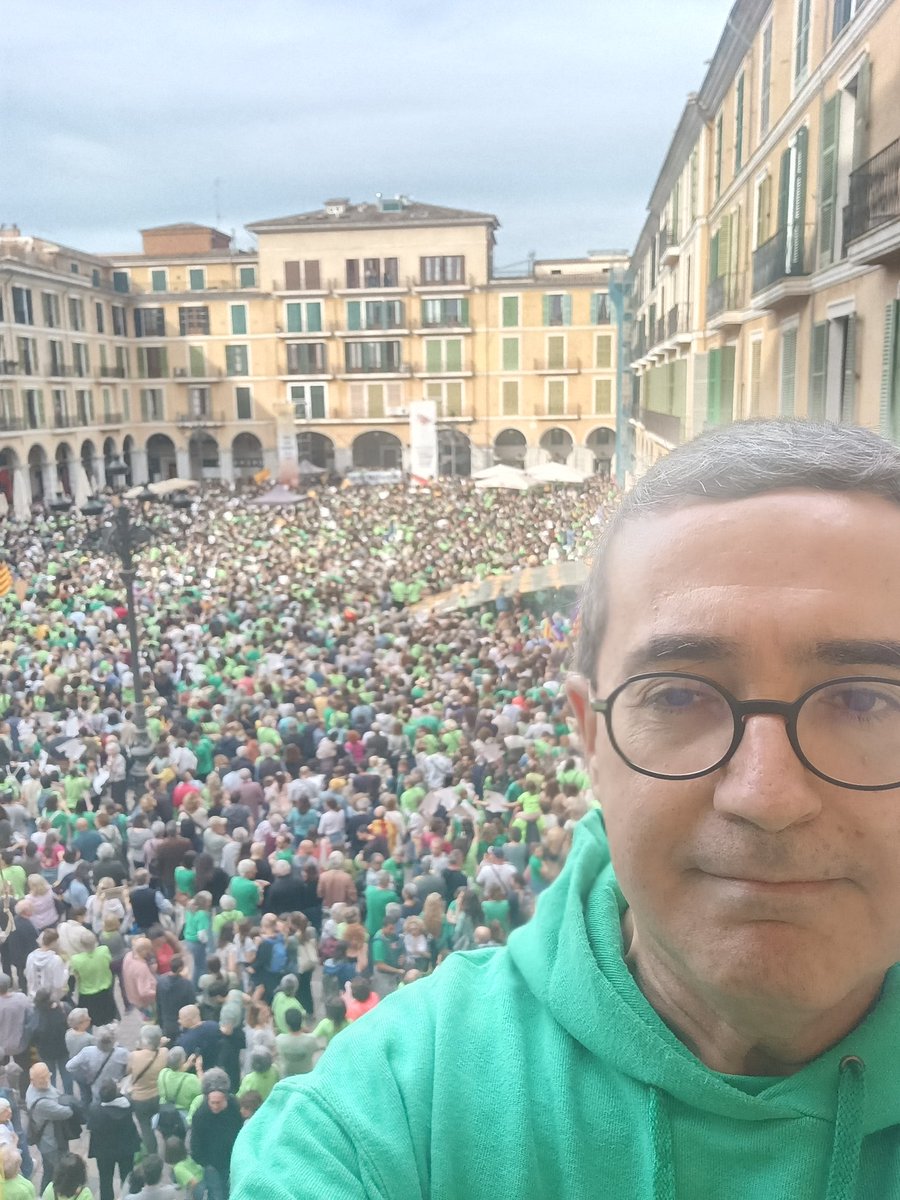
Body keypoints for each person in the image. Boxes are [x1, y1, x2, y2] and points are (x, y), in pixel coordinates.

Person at [232, 420, 900, 1197]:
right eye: (679, 695)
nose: (766, 795)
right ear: (590, 738)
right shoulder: (382, 1118)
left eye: (865, 701)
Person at [86, 1078, 141, 1200]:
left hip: (104, 1152)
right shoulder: (128, 1104)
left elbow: (91, 1127)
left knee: (105, 1180)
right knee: (127, 1178)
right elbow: (127, 1098)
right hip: (126, 1149)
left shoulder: (95, 1110)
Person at [188, 1074, 242, 1200]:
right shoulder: (201, 1115)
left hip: (232, 1160)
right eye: (212, 1102)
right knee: (216, 1195)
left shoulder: (234, 1107)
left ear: (226, 1098)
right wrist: (205, 1163)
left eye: (219, 1102)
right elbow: (195, 1143)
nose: (215, 1106)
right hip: (212, 1164)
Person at [24, 1062, 73, 1195]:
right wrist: (72, 1104)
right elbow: (66, 1112)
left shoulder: (33, 1086)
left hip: (46, 1141)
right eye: (45, 1078)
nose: (48, 1080)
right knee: (59, 1172)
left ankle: (43, 1195)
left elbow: (54, 1091)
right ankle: (56, 1195)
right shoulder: (42, 1103)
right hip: (51, 1144)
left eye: (48, 1076)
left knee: (48, 1170)